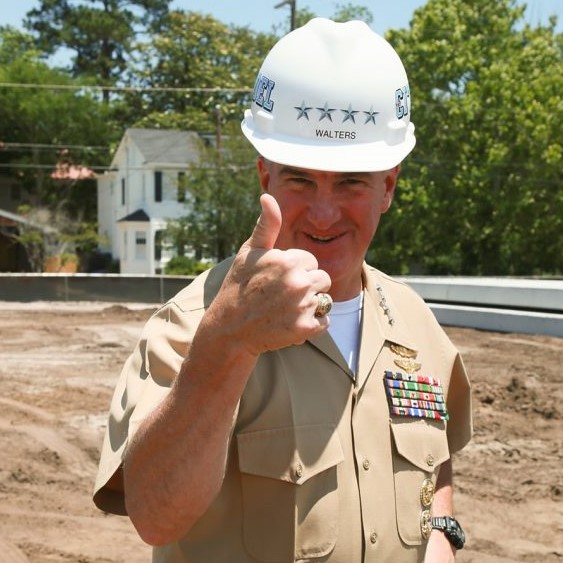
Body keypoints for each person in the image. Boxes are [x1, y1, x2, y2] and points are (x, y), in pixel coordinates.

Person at [93, 18, 472, 563]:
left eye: (350, 182)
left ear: (386, 186)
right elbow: (154, 515)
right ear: (264, 176)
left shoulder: (412, 320)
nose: (323, 213)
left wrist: (443, 531)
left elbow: (437, 460)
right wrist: (226, 346)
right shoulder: (193, 322)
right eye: (299, 179)